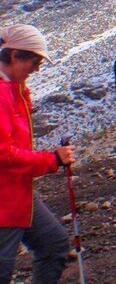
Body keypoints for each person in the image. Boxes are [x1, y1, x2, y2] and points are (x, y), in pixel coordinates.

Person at [0, 25, 75, 284]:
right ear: (13, 56)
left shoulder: (14, 88)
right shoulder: (2, 92)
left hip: (17, 193)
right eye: (34, 61)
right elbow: (2, 154)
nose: (36, 69)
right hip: (4, 201)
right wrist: (51, 160)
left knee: (54, 244)